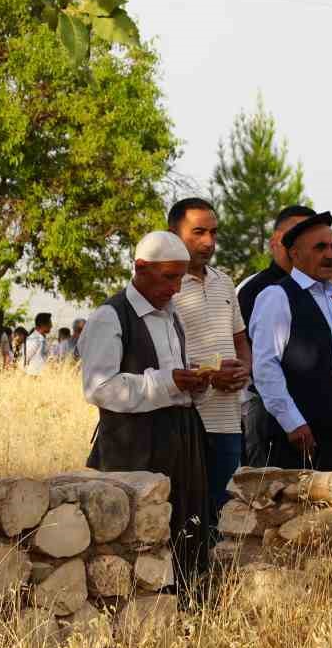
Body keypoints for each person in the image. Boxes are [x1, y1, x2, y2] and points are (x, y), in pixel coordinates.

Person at [78, 230, 215, 583]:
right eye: (169, 277)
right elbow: (100, 388)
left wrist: (198, 381)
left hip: (182, 440)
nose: (176, 288)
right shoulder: (110, 317)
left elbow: (175, 383)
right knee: (139, 538)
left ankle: (188, 616)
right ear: (140, 267)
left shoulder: (172, 316)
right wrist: (167, 382)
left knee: (185, 528)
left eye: (179, 278)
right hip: (134, 445)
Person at [249, 212, 332, 469]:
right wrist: (293, 422)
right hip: (305, 437)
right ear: (295, 254)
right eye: (320, 247)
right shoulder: (277, 296)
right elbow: (265, 367)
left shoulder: (330, 299)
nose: (329, 255)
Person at [168, 197, 253, 515]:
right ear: (174, 234)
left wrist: (244, 369)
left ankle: (218, 567)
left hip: (229, 418)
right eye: (198, 232)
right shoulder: (165, 287)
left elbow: (241, 341)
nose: (209, 242)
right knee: (188, 511)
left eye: (214, 233)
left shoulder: (224, 282)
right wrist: (208, 375)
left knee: (224, 510)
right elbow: (161, 356)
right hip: (187, 419)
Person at [236, 204, 316, 463]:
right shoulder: (253, 289)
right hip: (267, 413)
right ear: (275, 241)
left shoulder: (320, 290)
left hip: (314, 410)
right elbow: (256, 361)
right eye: (294, 235)